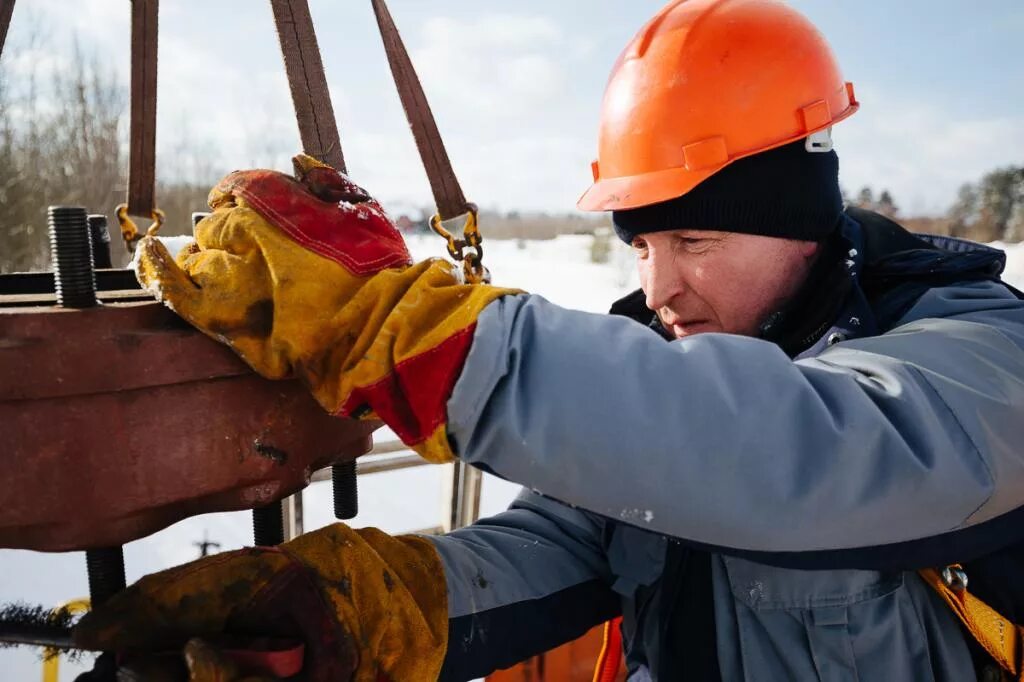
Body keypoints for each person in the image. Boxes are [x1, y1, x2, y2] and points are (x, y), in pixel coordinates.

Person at [74, 0, 1024, 680]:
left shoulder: (977, 352)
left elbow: (796, 450)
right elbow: (571, 540)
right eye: (645, 244)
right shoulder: (661, 368)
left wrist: (404, 332)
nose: (662, 286)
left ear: (802, 224)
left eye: (696, 240)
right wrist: (374, 610)